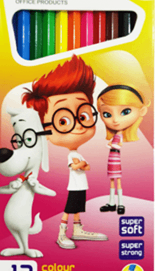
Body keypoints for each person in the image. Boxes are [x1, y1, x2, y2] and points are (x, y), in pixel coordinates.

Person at [22, 55, 107, 249]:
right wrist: (82, 165)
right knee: (69, 209)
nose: (78, 125)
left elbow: (85, 166)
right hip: (74, 187)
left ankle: (77, 229)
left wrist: (83, 165)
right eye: (63, 120)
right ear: (44, 129)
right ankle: (62, 233)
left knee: (78, 208)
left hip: (81, 186)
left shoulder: (77, 153)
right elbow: (77, 166)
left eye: (83, 115)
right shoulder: (72, 155)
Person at [97, 85, 149, 215]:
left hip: (117, 160)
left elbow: (119, 145)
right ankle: (111, 203)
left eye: (125, 112)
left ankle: (120, 204)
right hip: (111, 160)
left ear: (142, 110)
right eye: (107, 114)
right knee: (111, 182)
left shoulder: (122, 136)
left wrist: (112, 145)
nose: (115, 120)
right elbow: (113, 143)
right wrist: (110, 144)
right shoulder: (115, 135)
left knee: (118, 182)